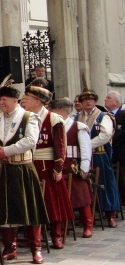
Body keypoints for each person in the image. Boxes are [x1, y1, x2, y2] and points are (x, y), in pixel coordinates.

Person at [0, 79, 48, 264]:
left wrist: (6, 151)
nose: (2, 103)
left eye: (5, 99)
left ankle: (35, 249)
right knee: (5, 209)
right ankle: (10, 247)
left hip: (23, 168)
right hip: (3, 170)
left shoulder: (28, 117)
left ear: (15, 100)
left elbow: (31, 140)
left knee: (29, 208)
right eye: (0, 100)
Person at [20, 80, 74, 249]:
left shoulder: (53, 118)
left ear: (37, 101)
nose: (23, 101)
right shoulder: (23, 117)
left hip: (47, 165)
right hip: (28, 163)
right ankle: (32, 237)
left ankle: (56, 235)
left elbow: (60, 145)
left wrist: (58, 168)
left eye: (27, 98)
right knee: (30, 201)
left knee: (52, 201)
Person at [75, 88, 119, 228]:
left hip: (99, 155)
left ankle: (110, 213)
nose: (88, 101)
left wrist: (87, 145)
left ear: (95, 101)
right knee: (85, 185)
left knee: (105, 182)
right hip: (82, 156)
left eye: (91, 99)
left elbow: (105, 135)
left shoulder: (103, 116)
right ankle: (89, 213)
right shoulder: (76, 117)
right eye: (85, 99)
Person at [50, 98, 93, 238]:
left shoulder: (78, 127)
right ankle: (61, 226)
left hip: (73, 167)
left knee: (81, 197)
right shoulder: (53, 126)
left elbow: (86, 149)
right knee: (60, 199)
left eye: (54, 111)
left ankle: (88, 224)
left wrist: (84, 168)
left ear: (62, 111)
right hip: (59, 168)